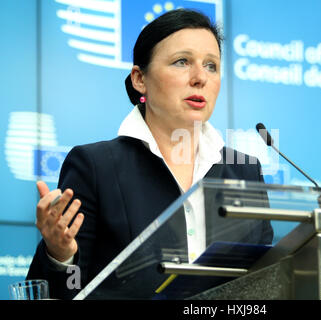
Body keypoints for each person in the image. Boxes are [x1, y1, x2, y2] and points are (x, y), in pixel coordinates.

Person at [26, 9, 273, 300]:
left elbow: (266, 282)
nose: (200, 78)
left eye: (211, 66)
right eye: (182, 62)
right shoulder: (95, 166)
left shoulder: (244, 171)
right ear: (140, 79)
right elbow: (68, 289)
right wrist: (61, 256)